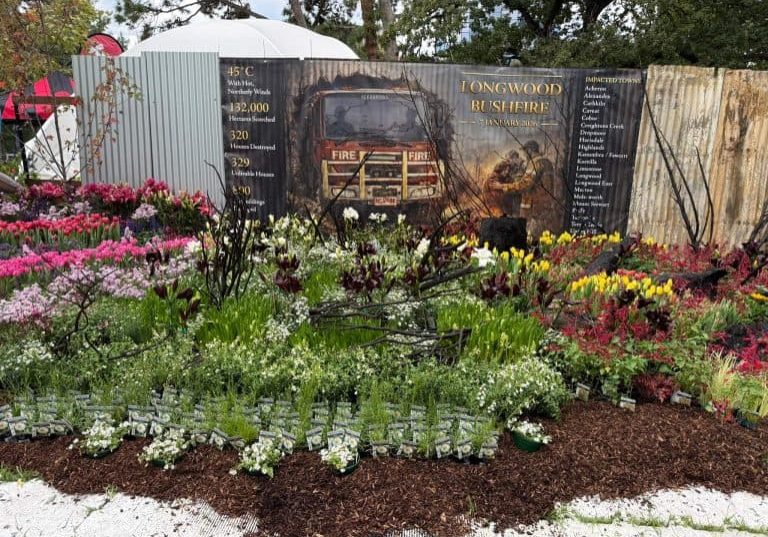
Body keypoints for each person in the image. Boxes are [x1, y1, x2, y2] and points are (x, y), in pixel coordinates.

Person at [484, 149, 526, 216]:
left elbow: (518, 185)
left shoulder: (522, 167)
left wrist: (502, 186)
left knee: (516, 216)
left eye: (508, 160)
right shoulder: (510, 167)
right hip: (509, 199)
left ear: (514, 158)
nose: (508, 162)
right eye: (507, 160)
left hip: (518, 198)